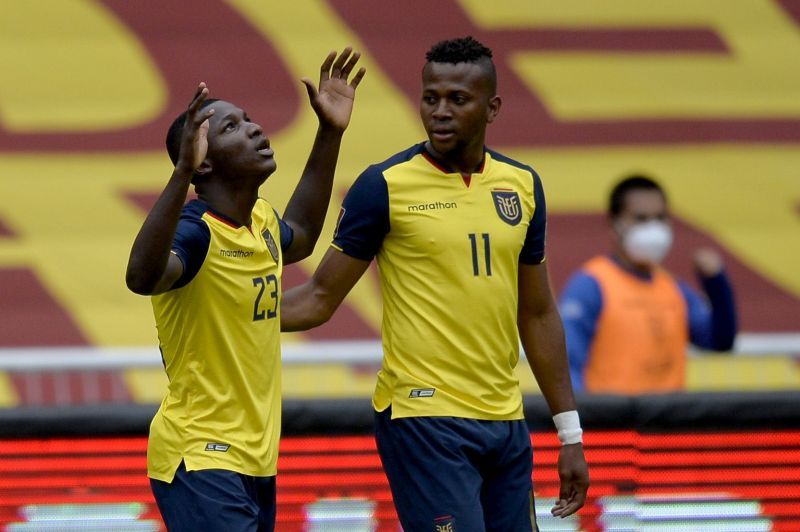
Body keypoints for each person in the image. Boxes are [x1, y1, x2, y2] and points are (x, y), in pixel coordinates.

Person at [281, 36, 589, 530]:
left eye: (457, 100)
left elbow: (537, 313)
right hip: (423, 417)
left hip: (504, 420)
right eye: (431, 98)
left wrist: (569, 434)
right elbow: (318, 299)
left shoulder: (523, 186)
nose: (440, 111)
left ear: (492, 108)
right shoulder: (383, 186)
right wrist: (231, 314)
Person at [125, 48, 365, 531]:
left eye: (249, 119)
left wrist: (329, 133)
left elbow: (299, 229)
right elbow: (141, 278)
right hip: (200, 455)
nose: (255, 129)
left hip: (255, 459)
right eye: (232, 128)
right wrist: (180, 175)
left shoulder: (259, 221)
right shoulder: (195, 232)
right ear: (204, 164)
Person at [559, 175, 738, 394]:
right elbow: (568, 364)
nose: (653, 228)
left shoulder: (673, 288)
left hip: (668, 423)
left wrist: (716, 283)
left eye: (660, 218)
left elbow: (720, 341)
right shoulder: (591, 285)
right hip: (612, 423)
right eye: (641, 219)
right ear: (615, 224)